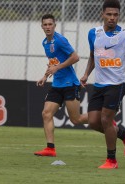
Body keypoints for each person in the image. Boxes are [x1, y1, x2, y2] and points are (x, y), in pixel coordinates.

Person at [80, 0, 125, 169]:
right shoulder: (93, 33)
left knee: (106, 119)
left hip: (117, 84)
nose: (112, 18)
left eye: (115, 15)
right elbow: (93, 56)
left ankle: (111, 160)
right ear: (102, 14)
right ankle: (124, 134)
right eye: (109, 14)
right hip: (99, 85)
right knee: (93, 121)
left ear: (118, 16)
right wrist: (86, 74)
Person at [34, 14, 88, 157]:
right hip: (57, 85)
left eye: (50, 24)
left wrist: (57, 68)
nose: (47, 27)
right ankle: (50, 149)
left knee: (76, 119)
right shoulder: (45, 43)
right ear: (42, 27)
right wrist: (45, 76)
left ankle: (103, 119)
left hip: (70, 84)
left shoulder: (60, 40)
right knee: (46, 114)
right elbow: (53, 62)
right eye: (45, 25)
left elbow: (75, 57)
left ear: (54, 25)